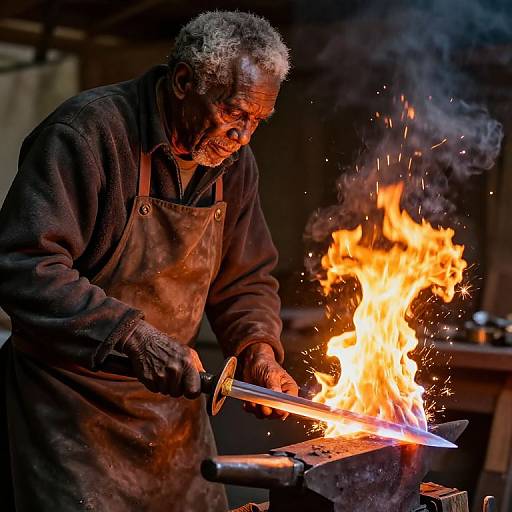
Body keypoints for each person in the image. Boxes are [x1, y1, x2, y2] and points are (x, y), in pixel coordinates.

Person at [0, 11, 298, 511]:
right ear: (183, 81)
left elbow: (244, 277)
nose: (243, 137)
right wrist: (133, 337)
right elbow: (23, 262)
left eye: (257, 122)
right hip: (67, 414)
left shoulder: (233, 163)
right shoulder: (88, 134)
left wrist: (257, 348)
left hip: (173, 422)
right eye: (233, 113)